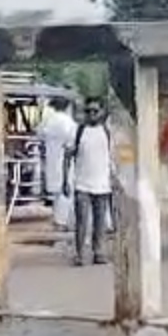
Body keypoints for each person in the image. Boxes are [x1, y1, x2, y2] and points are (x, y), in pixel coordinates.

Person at [65, 96, 114, 266]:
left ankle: (98, 252)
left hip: (102, 185)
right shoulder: (78, 132)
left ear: (101, 112)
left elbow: (113, 157)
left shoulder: (107, 132)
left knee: (100, 223)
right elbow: (67, 156)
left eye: (95, 111)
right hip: (82, 184)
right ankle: (79, 254)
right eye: (88, 111)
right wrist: (65, 180)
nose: (92, 114)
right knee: (82, 222)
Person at [37, 96, 78, 233]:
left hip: (51, 159)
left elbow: (39, 134)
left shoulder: (47, 121)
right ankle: (62, 222)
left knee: (56, 193)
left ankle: (58, 220)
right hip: (65, 160)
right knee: (66, 191)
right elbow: (73, 142)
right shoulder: (69, 122)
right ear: (67, 107)